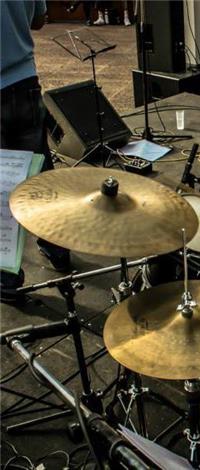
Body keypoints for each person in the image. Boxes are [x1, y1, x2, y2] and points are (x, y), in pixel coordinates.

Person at [1, 0, 71, 302]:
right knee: (40, 174)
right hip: (26, 83)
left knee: (3, 186)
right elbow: (40, 19)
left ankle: (6, 278)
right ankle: (58, 248)